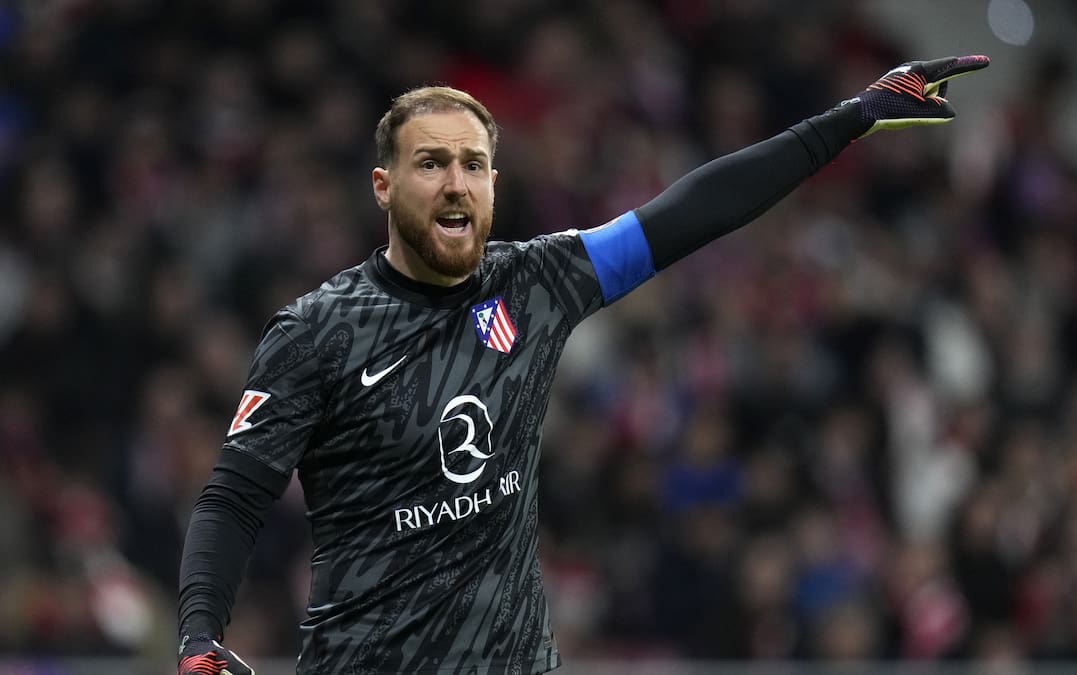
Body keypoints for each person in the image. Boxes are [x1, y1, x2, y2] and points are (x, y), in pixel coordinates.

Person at [177, 55, 990, 675]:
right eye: (430, 164)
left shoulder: (536, 281)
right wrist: (199, 640)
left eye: (472, 164)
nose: (455, 184)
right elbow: (234, 498)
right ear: (384, 187)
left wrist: (852, 117)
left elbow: (692, 212)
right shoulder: (317, 331)